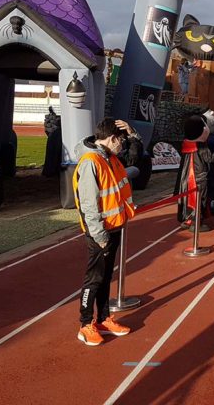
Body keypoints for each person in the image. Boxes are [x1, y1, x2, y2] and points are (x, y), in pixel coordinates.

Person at [73, 118, 137, 346]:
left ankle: (102, 318)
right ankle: (85, 323)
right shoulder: (92, 162)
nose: (123, 144)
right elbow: (89, 204)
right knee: (94, 278)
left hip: (114, 226)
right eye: (122, 140)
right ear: (112, 139)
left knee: (106, 276)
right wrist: (99, 236)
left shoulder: (108, 158)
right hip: (100, 232)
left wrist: (131, 133)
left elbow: (134, 155)